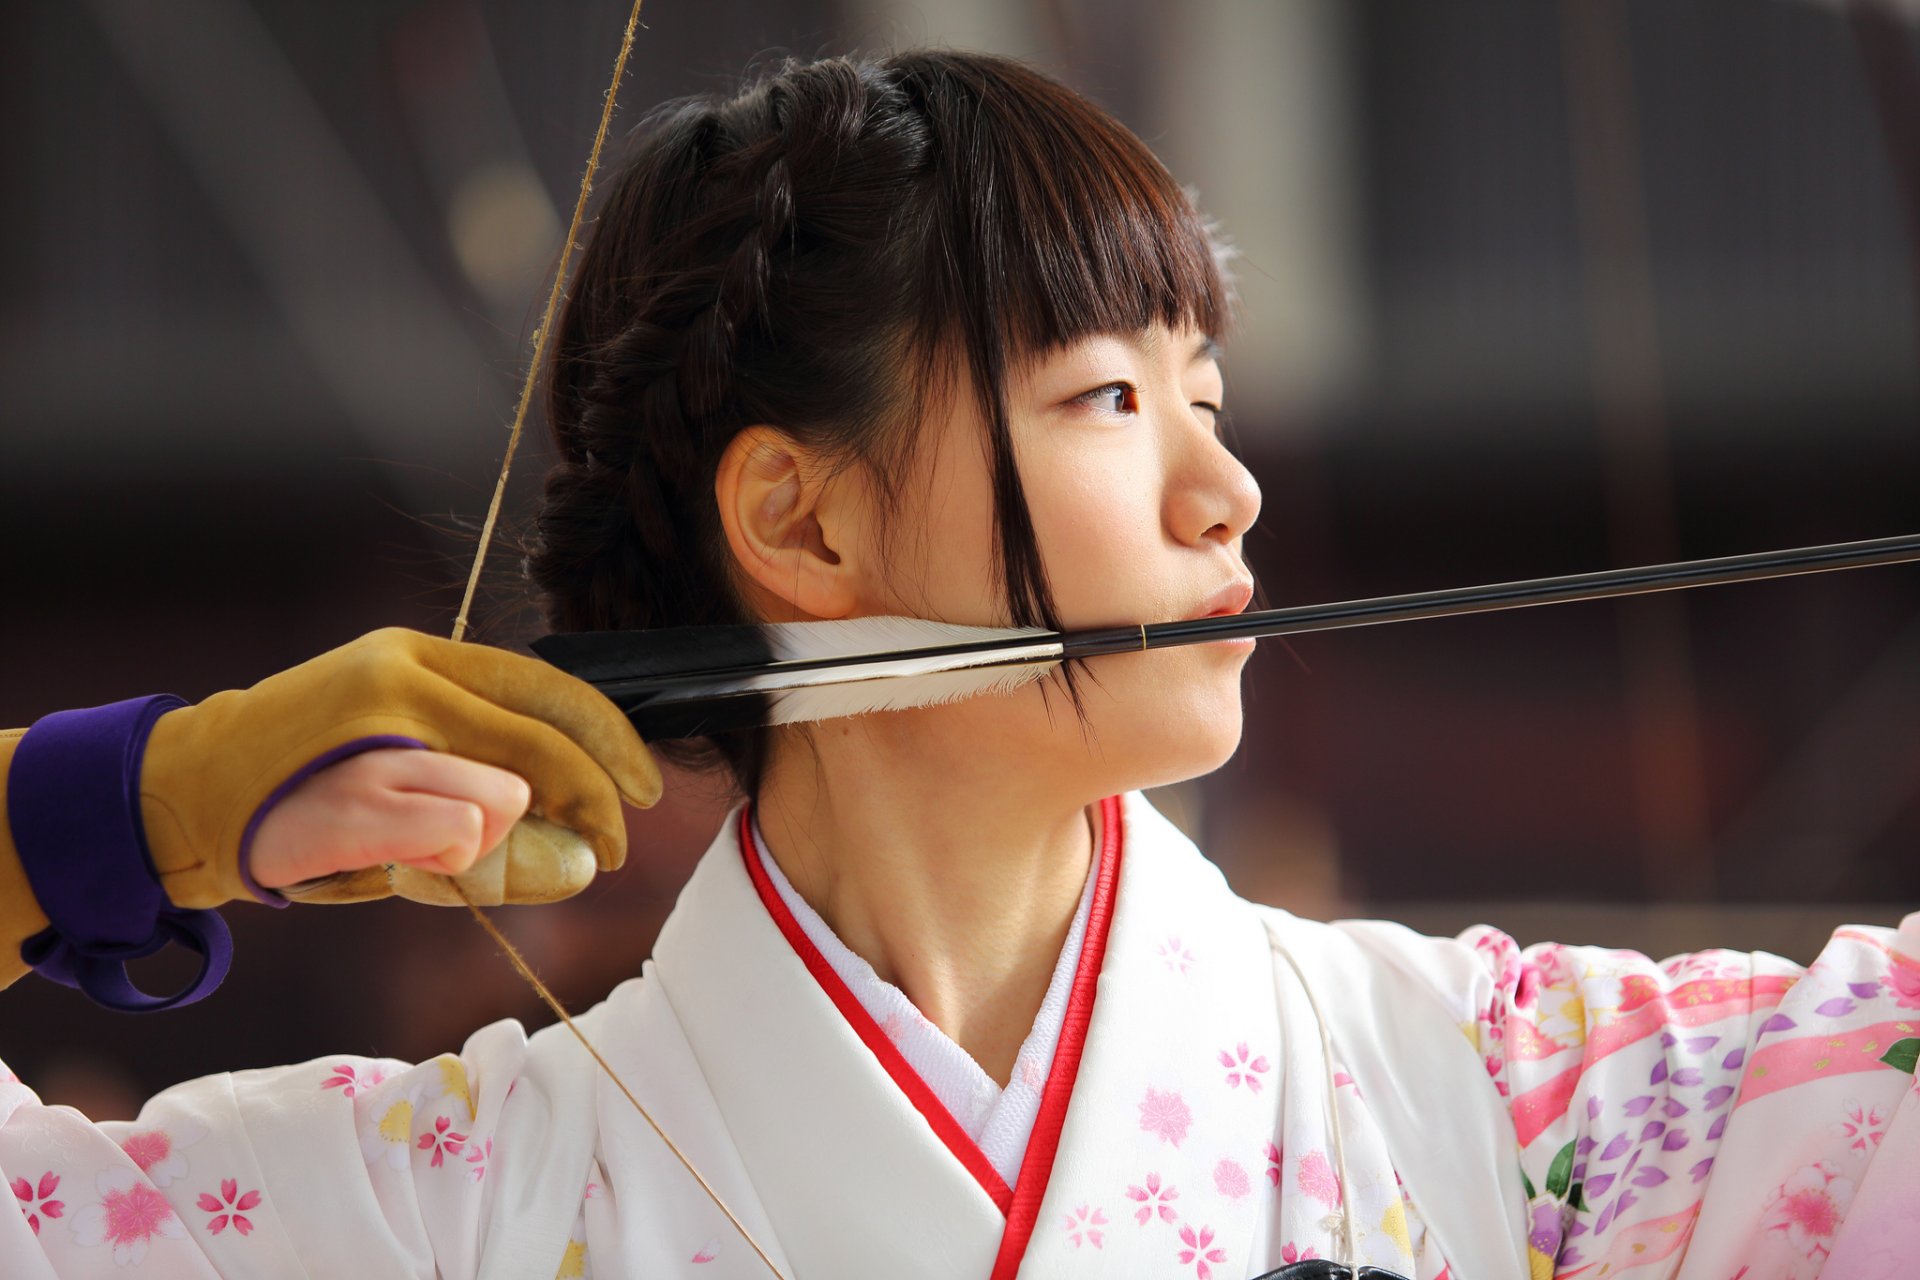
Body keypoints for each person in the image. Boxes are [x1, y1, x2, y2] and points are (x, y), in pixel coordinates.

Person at [1, 49, 1915, 1280]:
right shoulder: (449, 1208)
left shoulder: (1505, 1102)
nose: (1223, 488)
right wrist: (105, 812)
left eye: (1211, 393)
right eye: (1104, 395)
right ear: (806, 525)